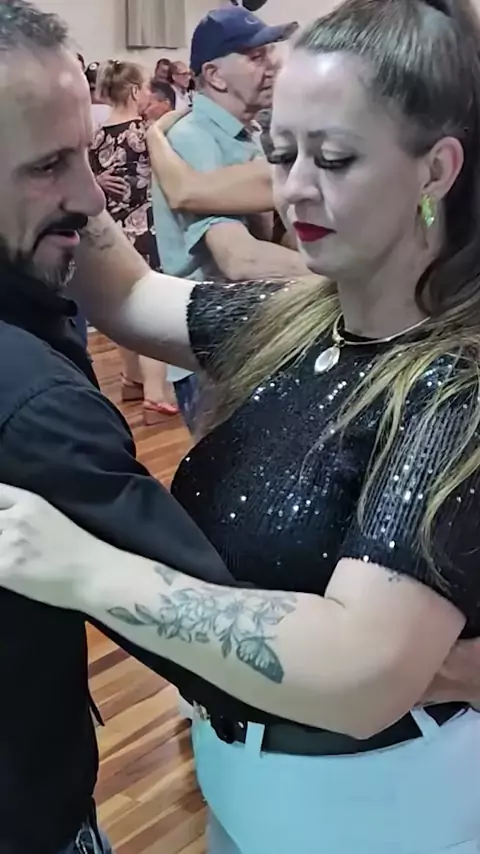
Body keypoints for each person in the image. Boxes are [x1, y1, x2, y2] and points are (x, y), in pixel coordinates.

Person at [4, 0, 480, 851]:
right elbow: (130, 294)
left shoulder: (451, 384)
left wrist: (82, 568)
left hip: (373, 805)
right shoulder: (298, 320)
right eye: (280, 151)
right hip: (241, 770)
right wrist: (52, 153)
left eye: (333, 158)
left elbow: (359, 673)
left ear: (436, 170)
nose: (294, 188)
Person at [0, 2, 238, 852]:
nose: (91, 194)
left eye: (87, 152)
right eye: (48, 165)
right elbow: (222, 650)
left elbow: (131, 290)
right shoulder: (36, 410)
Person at [151, 6, 304, 430]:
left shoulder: (246, 136)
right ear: (215, 76)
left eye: (270, 53)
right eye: (255, 57)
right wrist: (345, 275)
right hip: (216, 355)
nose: (273, 65)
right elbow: (238, 259)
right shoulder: (194, 138)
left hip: (248, 340)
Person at [92, 60, 178, 421]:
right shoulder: (143, 134)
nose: (148, 94)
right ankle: (156, 394)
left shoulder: (97, 134)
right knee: (152, 312)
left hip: (112, 232)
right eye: (144, 88)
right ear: (132, 91)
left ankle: (132, 379)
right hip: (145, 230)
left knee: (125, 310)